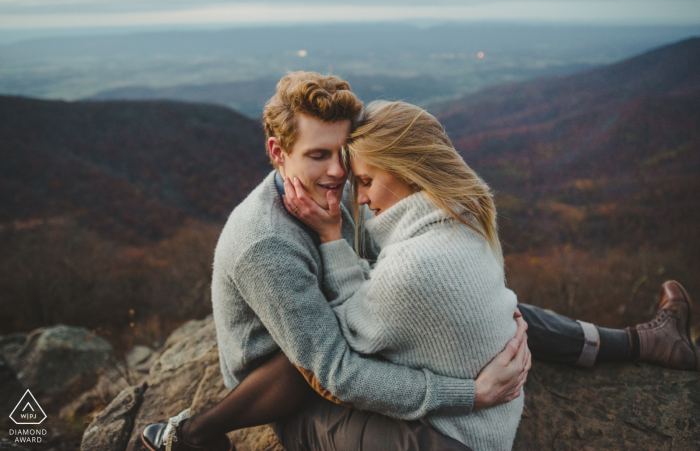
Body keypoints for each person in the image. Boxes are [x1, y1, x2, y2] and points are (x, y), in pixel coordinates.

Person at [141, 72, 699, 451]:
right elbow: (333, 371)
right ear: (276, 152)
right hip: (296, 380)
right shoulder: (269, 242)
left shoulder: (336, 190)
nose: (337, 173)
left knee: (470, 302)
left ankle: (644, 342)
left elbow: (403, 283)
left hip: (357, 329)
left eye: (343, 155)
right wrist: (473, 394)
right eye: (317, 155)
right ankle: (192, 437)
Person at [281, 99, 525, 450]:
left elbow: (348, 336)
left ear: (408, 171)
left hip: (457, 436)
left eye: (365, 181)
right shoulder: (467, 215)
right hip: (495, 421)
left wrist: (329, 238)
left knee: (296, 420)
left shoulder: (413, 266)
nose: (360, 198)